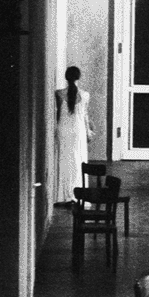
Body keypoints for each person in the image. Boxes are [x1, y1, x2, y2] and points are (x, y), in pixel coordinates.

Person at [55, 65, 93, 205]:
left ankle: (64, 195)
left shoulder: (58, 94)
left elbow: (59, 114)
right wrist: (88, 131)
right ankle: (79, 194)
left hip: (63, 129)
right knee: (79, 161)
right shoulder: (85, 95)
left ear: (66, 77)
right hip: (78, 130)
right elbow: (85, 116)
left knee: (64, 161)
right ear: (79, 77)